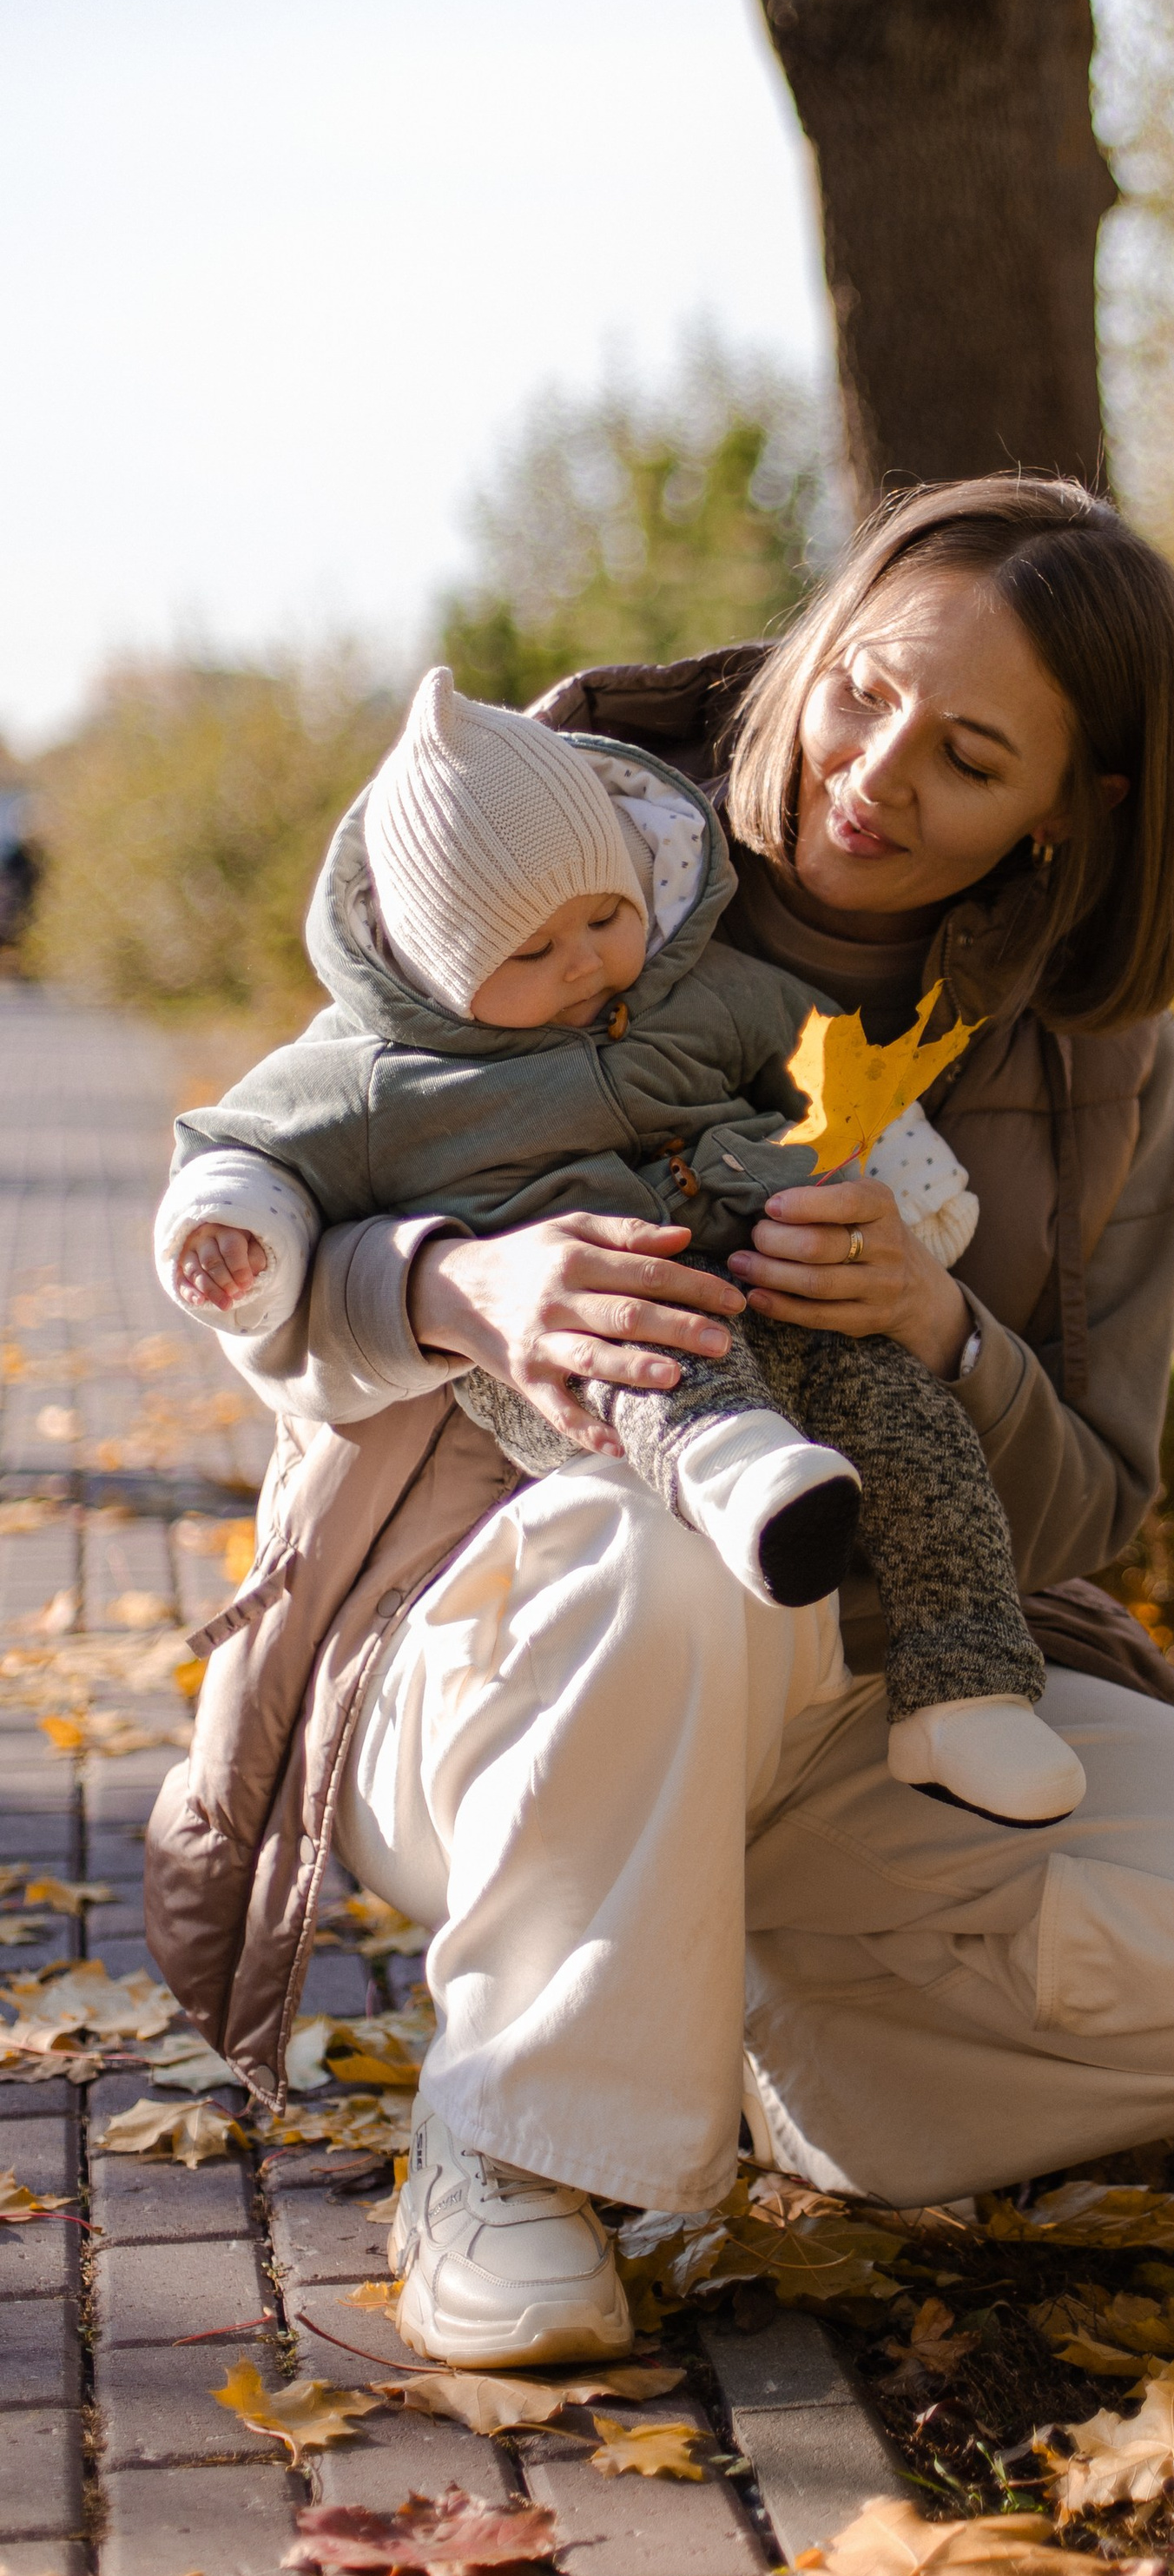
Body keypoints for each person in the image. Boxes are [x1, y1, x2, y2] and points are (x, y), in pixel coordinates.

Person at [146, 478, 1174, 2372]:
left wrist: (940, 1330)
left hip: (871, 1685)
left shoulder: (1090, 1066)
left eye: (968, 757)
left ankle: (699, 2039)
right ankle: (509, 2151)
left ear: (1069, 813)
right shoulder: (550, 841)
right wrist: (447, 1289)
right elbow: (265, 1207)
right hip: (487, 1655)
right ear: (817, 640)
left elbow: (1087, 1508)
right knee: (665, 1543)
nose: (873, 776)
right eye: (861, 694)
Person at [155, 666, 1085, 1830]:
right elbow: (246, 1148)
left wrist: (916, 1201)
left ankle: (968, 1691)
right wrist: (232, 1231)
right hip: (584, 1341)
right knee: (638, 1352)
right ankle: (733, 1471)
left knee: (915, 1426)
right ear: (441, 966)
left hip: (780, 1298)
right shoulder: (382, 1078)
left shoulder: (703, 990)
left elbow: (828, 1061)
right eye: (531, 951)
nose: (589, 961)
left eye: (604, 917)